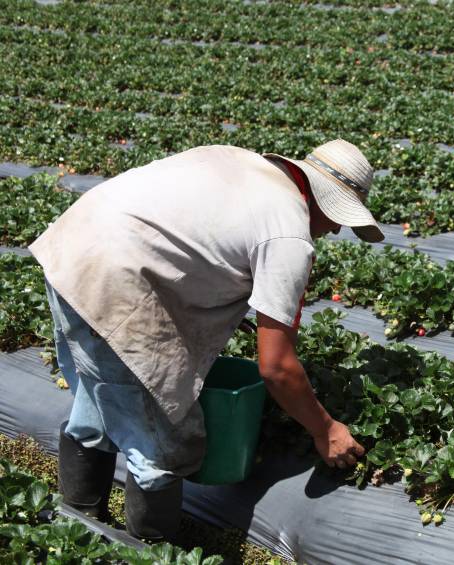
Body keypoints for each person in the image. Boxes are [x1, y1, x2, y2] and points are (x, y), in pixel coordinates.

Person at [28, 139, 384, 542]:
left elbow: (188, 241)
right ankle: (148, 548)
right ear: (323, 200)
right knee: (164, 444)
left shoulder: (242, 161)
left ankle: (76, 525)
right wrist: (325, 428)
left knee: (99, 397)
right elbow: (277, 368)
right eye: (339, 217)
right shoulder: (289, 236)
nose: (336, 228)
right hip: (117, 279)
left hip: (73, 247)